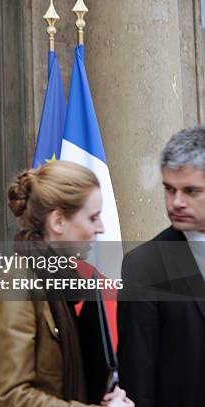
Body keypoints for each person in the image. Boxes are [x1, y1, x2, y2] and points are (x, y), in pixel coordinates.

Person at [0, 161, 133, 407]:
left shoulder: (57, 281)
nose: (100, 228)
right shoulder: (17, 286)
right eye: (93, 217)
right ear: (58, 221)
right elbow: (10, 397)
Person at [118, 125, 205, 406]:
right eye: (169, 189)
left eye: (191, 191)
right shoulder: (145, 266)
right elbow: (137, 381)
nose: (176, 202)